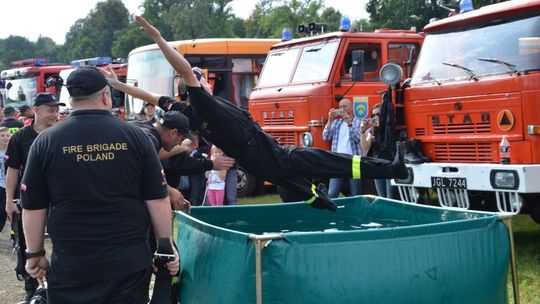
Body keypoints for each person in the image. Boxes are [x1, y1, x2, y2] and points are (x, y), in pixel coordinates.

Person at [102, 15, 408, 212]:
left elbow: (150, 95)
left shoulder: (186, 109)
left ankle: (321, 200)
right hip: (265, 154)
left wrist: (118, 84)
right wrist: (157, 38)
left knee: (303, 187)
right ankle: (391, 169)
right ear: (193, 85)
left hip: (262, 152)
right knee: (327, 160)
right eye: (197, 77)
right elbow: (182, 68)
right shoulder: (200, 103)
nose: (204, 81)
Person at [20, 66, 179, 303]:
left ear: (71, 100)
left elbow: (33, 205)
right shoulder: (136, 137)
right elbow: (156, 197)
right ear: (106, 95)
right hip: (128, 263)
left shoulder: (46, 142)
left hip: (72, 263)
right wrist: (165, 246)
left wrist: (35, 253)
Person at [4, 92, 65, 302]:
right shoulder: (20, 137)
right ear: (36, 110)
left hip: (59, 199)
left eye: (57, 110)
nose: (55, 114)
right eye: (51, 110)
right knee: (28, 245)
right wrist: (9, 201)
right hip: (30, 201)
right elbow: (12, 170)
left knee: (61, 241)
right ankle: (33, 290)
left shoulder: (62, 134)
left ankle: (59, 285)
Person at [322, 98, 363, 198]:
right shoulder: (336, 123)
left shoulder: (359, 122)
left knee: (356, 192)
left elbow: (358, 139)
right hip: (337, 160)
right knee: (332, 193)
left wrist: (349, 123)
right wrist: (330, 120)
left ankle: (355, 212)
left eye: (345, 106)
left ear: (351, 108)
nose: (342, 109)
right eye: (340, 107)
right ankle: (332, 212)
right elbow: (325, 137)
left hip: (355, 161)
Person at [360, 103, 399, 199]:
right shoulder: (373, 130)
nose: (375, 117)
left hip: (390, 167)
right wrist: (362, 131)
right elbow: (365, 147)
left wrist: (382, 126)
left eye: (378, 114)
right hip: (378, 167)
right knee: (382, 198)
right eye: (373, 115)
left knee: (391, 198)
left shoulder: (391, 128)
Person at [0, 127, 10, 233]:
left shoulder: (13, 150)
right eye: (2, 136)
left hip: (10, 186)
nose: (5, 138)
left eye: (7, 135)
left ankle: (15, 238)